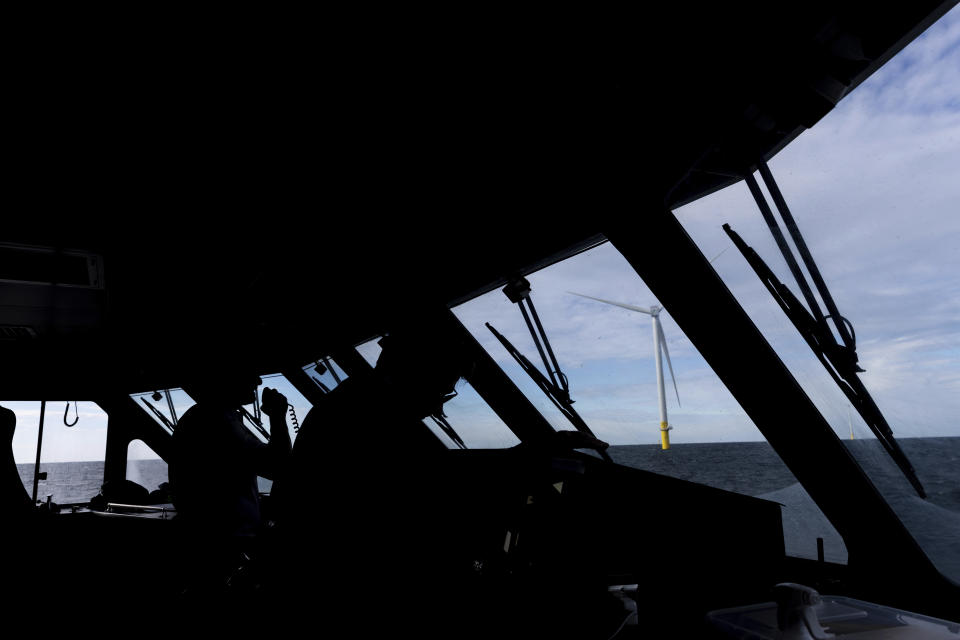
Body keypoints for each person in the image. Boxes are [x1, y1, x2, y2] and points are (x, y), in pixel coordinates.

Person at [167, 366, 291, 603]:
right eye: (248, 373)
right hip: (224, 553)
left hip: (208, 547)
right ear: (226, 380)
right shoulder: (219, 422)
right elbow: (277, 466)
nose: (258, 380)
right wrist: (277, 415)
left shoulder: (202, 417)